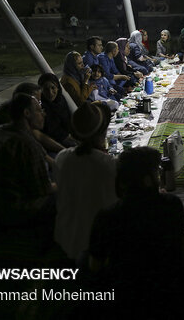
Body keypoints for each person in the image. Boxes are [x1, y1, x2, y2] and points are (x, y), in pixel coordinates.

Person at [88, 147, 184, 316]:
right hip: (168, 289)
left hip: (126, 293)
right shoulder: (172, 205)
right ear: (149, 179)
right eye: (157, 171)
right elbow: (180, 244)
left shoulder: (107, 216)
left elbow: (95, 265)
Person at [54, 102, 117, 262]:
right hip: (97, 245)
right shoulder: (108, 164)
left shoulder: (62, 158)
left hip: (66, 238)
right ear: (102, 132)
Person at [0, 93, 56, 227]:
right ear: (27, 113)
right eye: (39, 110)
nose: (43, 114)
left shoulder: (1, 131)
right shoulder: (26, 145)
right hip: (17, 211)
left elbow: (44, 157)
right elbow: (44, 190)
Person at [0, 82, 65, 155]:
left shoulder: (15, 109)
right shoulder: (10, 118)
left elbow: (39, 135)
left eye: (39, 101)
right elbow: (35, 143)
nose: (39, 105)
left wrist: (64, 150)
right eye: (37, 101)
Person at [38, 73, 76, 147]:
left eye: (53, 88)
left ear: (58, 87)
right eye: (46, 89)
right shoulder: (40, 106)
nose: (50, 92)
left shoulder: (61, 100)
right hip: (52, 142)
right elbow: (50, 130)